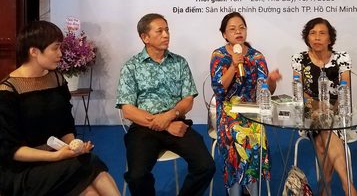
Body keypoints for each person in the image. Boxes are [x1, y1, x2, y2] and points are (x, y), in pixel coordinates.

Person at [0, 20, 120, 196]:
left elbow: (65, 125)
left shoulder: (56, 79)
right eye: (55, 48)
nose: (60, 54)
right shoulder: (8, 91)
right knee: (90, 163)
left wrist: (74, 147)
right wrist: (56, 156)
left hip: (59, 159)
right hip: (24, 170)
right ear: (34, 51)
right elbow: (11, 150)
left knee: (89, 186)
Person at [116, 13, 215, 196]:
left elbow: (188, 100)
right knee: (136, 176)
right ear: (145, 37)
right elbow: (128, 111)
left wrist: (170, 116)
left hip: (177, 122)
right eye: (160, 31)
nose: (166, 35)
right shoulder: (131, 67)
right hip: (143, 127)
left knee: (206, 166)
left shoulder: (179, 62)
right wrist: (164, 124)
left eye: (167, 30)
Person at [210, 12, 282, 196]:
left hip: (251, 110)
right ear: (225, 34)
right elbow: (219, 90)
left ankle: (252, 188)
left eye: (242, 27)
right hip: (227, 111)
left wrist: (271, 81)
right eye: (232, 29)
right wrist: (234, 66)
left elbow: (265, 91)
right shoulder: (218, 56)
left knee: (255, 136)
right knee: (236, 135)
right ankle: (235, 190)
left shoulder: (257, 57)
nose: (238, 32)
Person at [291, 17, 357, 196]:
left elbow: (344, 88)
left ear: (330, 38)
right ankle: (347, 186)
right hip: (310, 113)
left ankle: (325, 186)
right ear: (307, 37)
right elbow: (299, 91)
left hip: (338, 114)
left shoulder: (342, 58)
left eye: (322, 33)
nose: (317, 37)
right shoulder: (299, 59)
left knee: (324, 137)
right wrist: (317, 105)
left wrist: (330, 109)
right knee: (323, 128)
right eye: (312, 33)